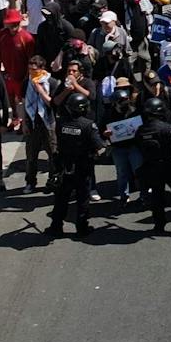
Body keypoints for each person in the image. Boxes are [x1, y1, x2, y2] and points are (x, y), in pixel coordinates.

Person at [136, 96, 171, 234]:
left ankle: (159, 225)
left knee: (157, 196)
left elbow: (138, 147)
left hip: (152, 168)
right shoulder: (167, 128)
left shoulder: (141, 130)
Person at [49, 91, 101, 237]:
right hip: (82, 167)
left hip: (64, 166)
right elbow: (98, 145)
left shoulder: (60, 123)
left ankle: (56, 227)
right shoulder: (88, 125)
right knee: (82, 199)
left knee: (61, 199)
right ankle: (82, 228)